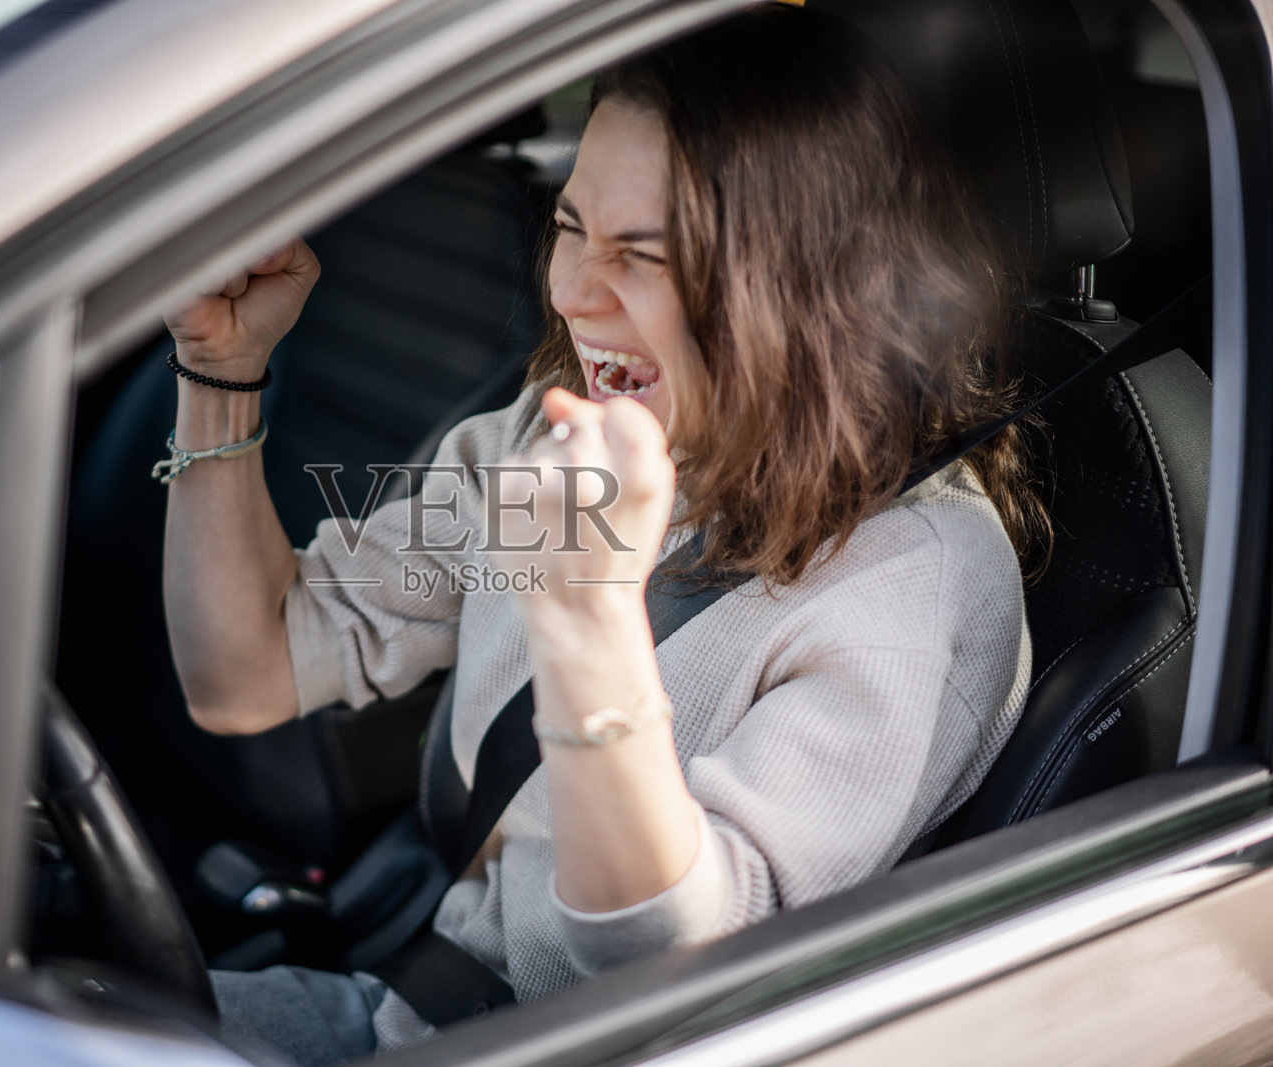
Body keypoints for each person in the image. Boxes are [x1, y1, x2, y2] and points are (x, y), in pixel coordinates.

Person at [159, 4, 1041, 1063]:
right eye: (570, 227)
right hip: (406, 1001)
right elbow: (245, 671)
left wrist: (583, 611)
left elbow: (671, 970)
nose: (572, 292)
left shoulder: (912, 586)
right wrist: (220, 373)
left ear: (797, 285)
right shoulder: (543, 436)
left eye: (641, 254)